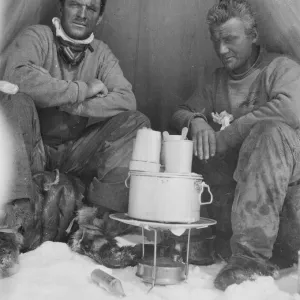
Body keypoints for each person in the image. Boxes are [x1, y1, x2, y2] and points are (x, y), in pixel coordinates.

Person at [0, 0, 150, 277]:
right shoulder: (37, 37)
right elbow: (15, 75)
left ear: (100, 16)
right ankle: (6, 233)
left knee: (136, 122)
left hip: (73, 152)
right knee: (14, 99)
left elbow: (126, 100)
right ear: (60, 8)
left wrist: (66, 100)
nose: (82, 14)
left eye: (91, 8)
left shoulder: (101, 54)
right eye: (75, 5)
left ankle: (93, 231)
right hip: (34, 147)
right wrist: (85, 88)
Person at [171, 0, 300, 290]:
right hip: (238, 212)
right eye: (216, 40)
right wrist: (196, 121)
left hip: (289, 209)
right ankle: (230, 245)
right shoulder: (216, 81)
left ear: (253, 35)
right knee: (193, 145)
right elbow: (178, 111)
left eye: (230, 39)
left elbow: (291, 110)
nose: (221, 50)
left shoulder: (281, 68)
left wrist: (230, 133)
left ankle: (250, 260)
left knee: (269, 132)